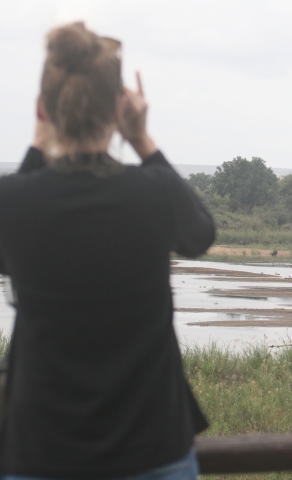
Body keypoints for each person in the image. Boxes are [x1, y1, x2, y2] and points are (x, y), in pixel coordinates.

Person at [0, 22, 215, 479]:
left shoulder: (12, 201)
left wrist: (38, 144)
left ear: (43, 109)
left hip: (39, 449)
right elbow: (199, 235)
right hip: (154, 448)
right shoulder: (155, 193)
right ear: (119, 110)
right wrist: (142, 139)